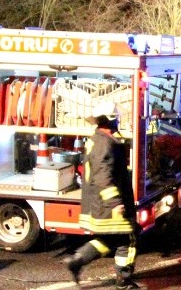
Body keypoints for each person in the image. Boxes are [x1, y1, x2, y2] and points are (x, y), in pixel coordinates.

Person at [63, 101, 139, 290]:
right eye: (117, 118)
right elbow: (103, 176)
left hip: (98, 204)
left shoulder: (97, 139)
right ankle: (123, 281)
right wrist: (115, 202)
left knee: (109, 240)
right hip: (107, 205)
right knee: (127, 241)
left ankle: (77, 260)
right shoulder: (105, 143)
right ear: (111, 120)